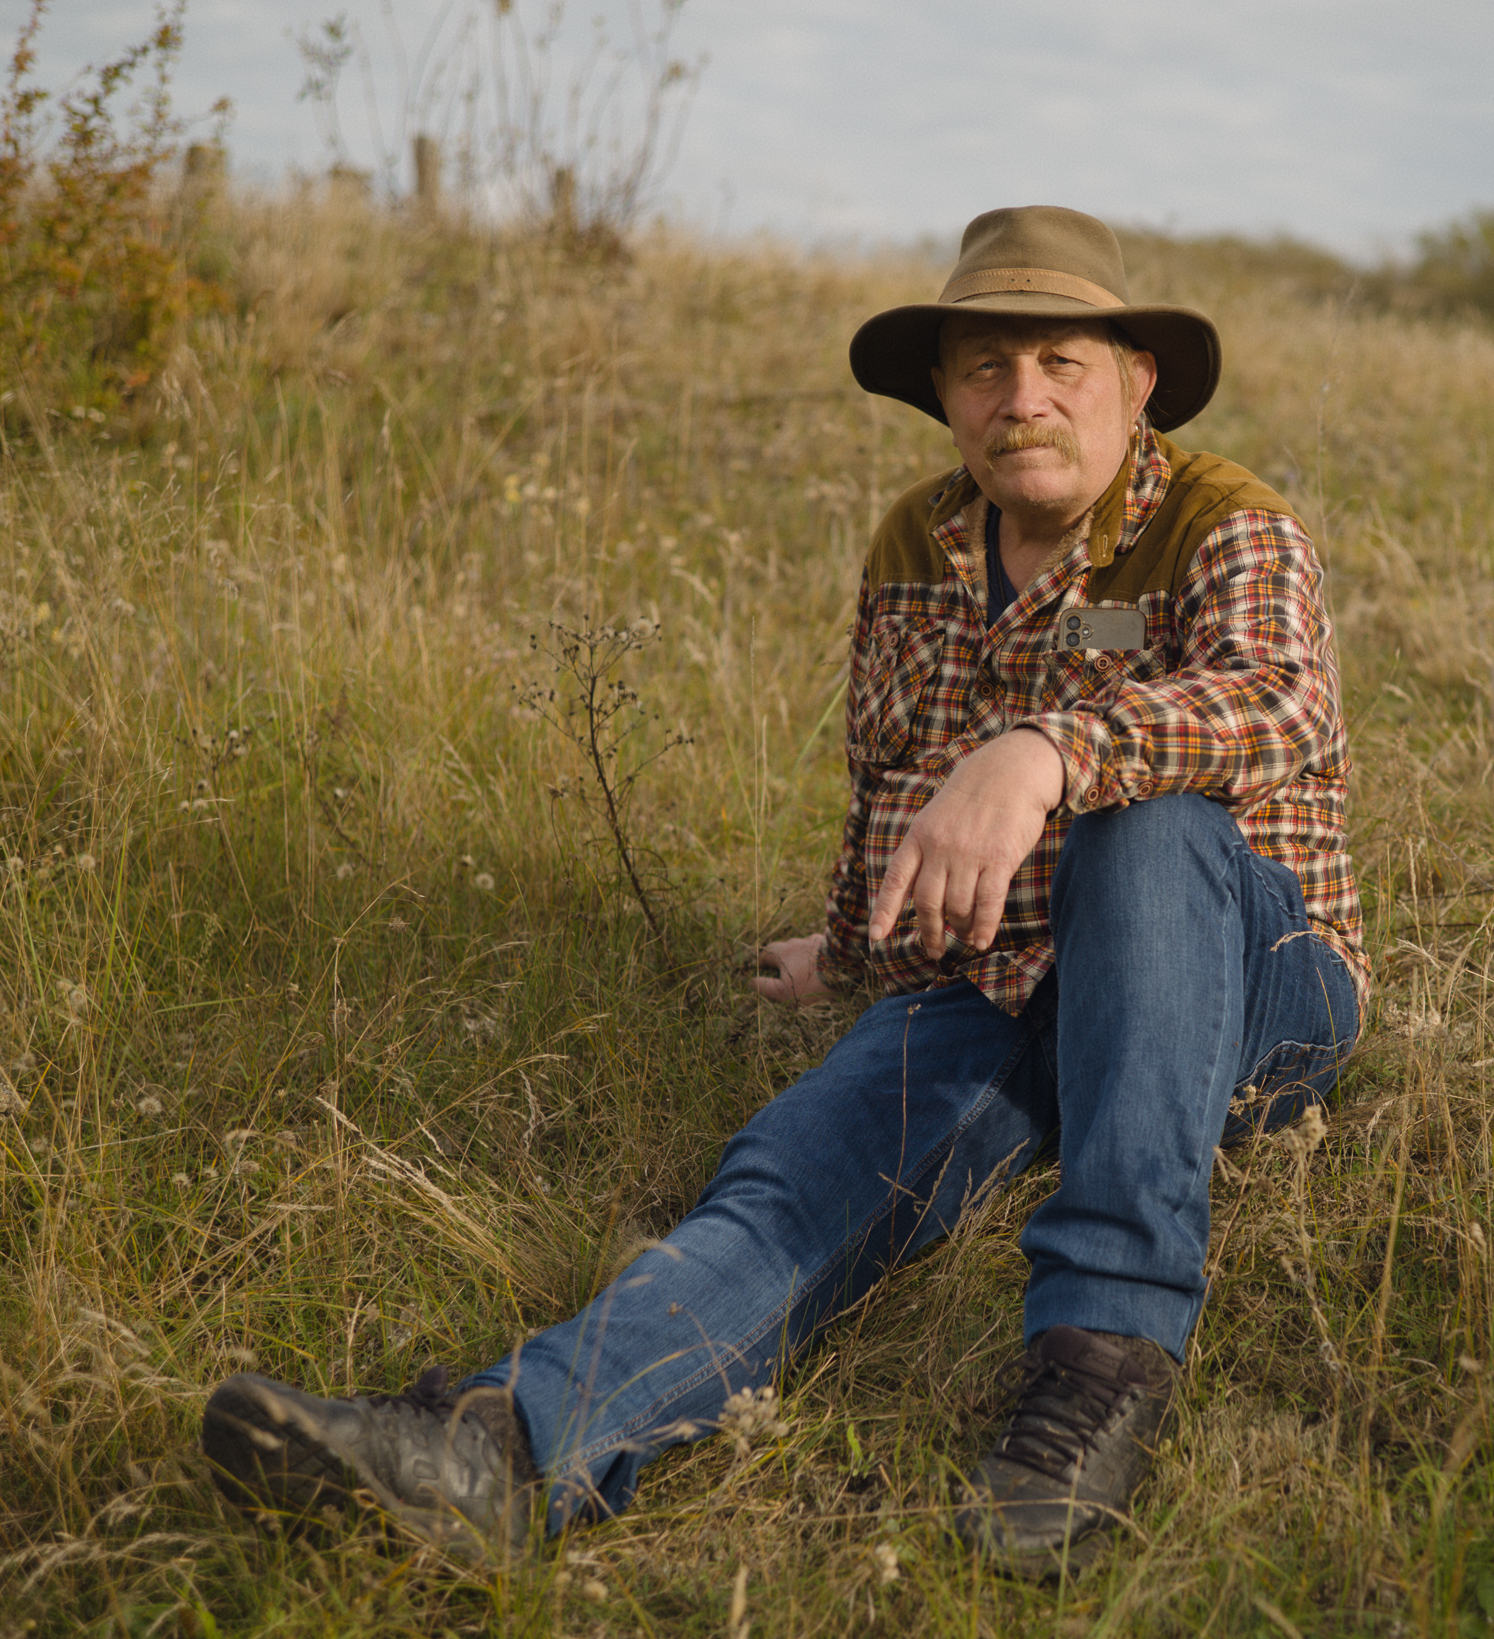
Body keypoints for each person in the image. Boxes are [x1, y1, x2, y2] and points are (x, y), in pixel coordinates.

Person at [201, 205, 1367, 1577]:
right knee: (791, 1179)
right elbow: (890, 783)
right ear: (943, 394)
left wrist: (1047, 747)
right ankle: (501, 1449)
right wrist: (856, 946)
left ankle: (1105, 1356)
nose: (1023, 400)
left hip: (1244, 975)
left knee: (1148, 825)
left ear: (1137, 380)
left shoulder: (1228, 522)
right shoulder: (921, 542)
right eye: (985, 370)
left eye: (1062, 362)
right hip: (1000, 972)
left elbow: (1279, 702)